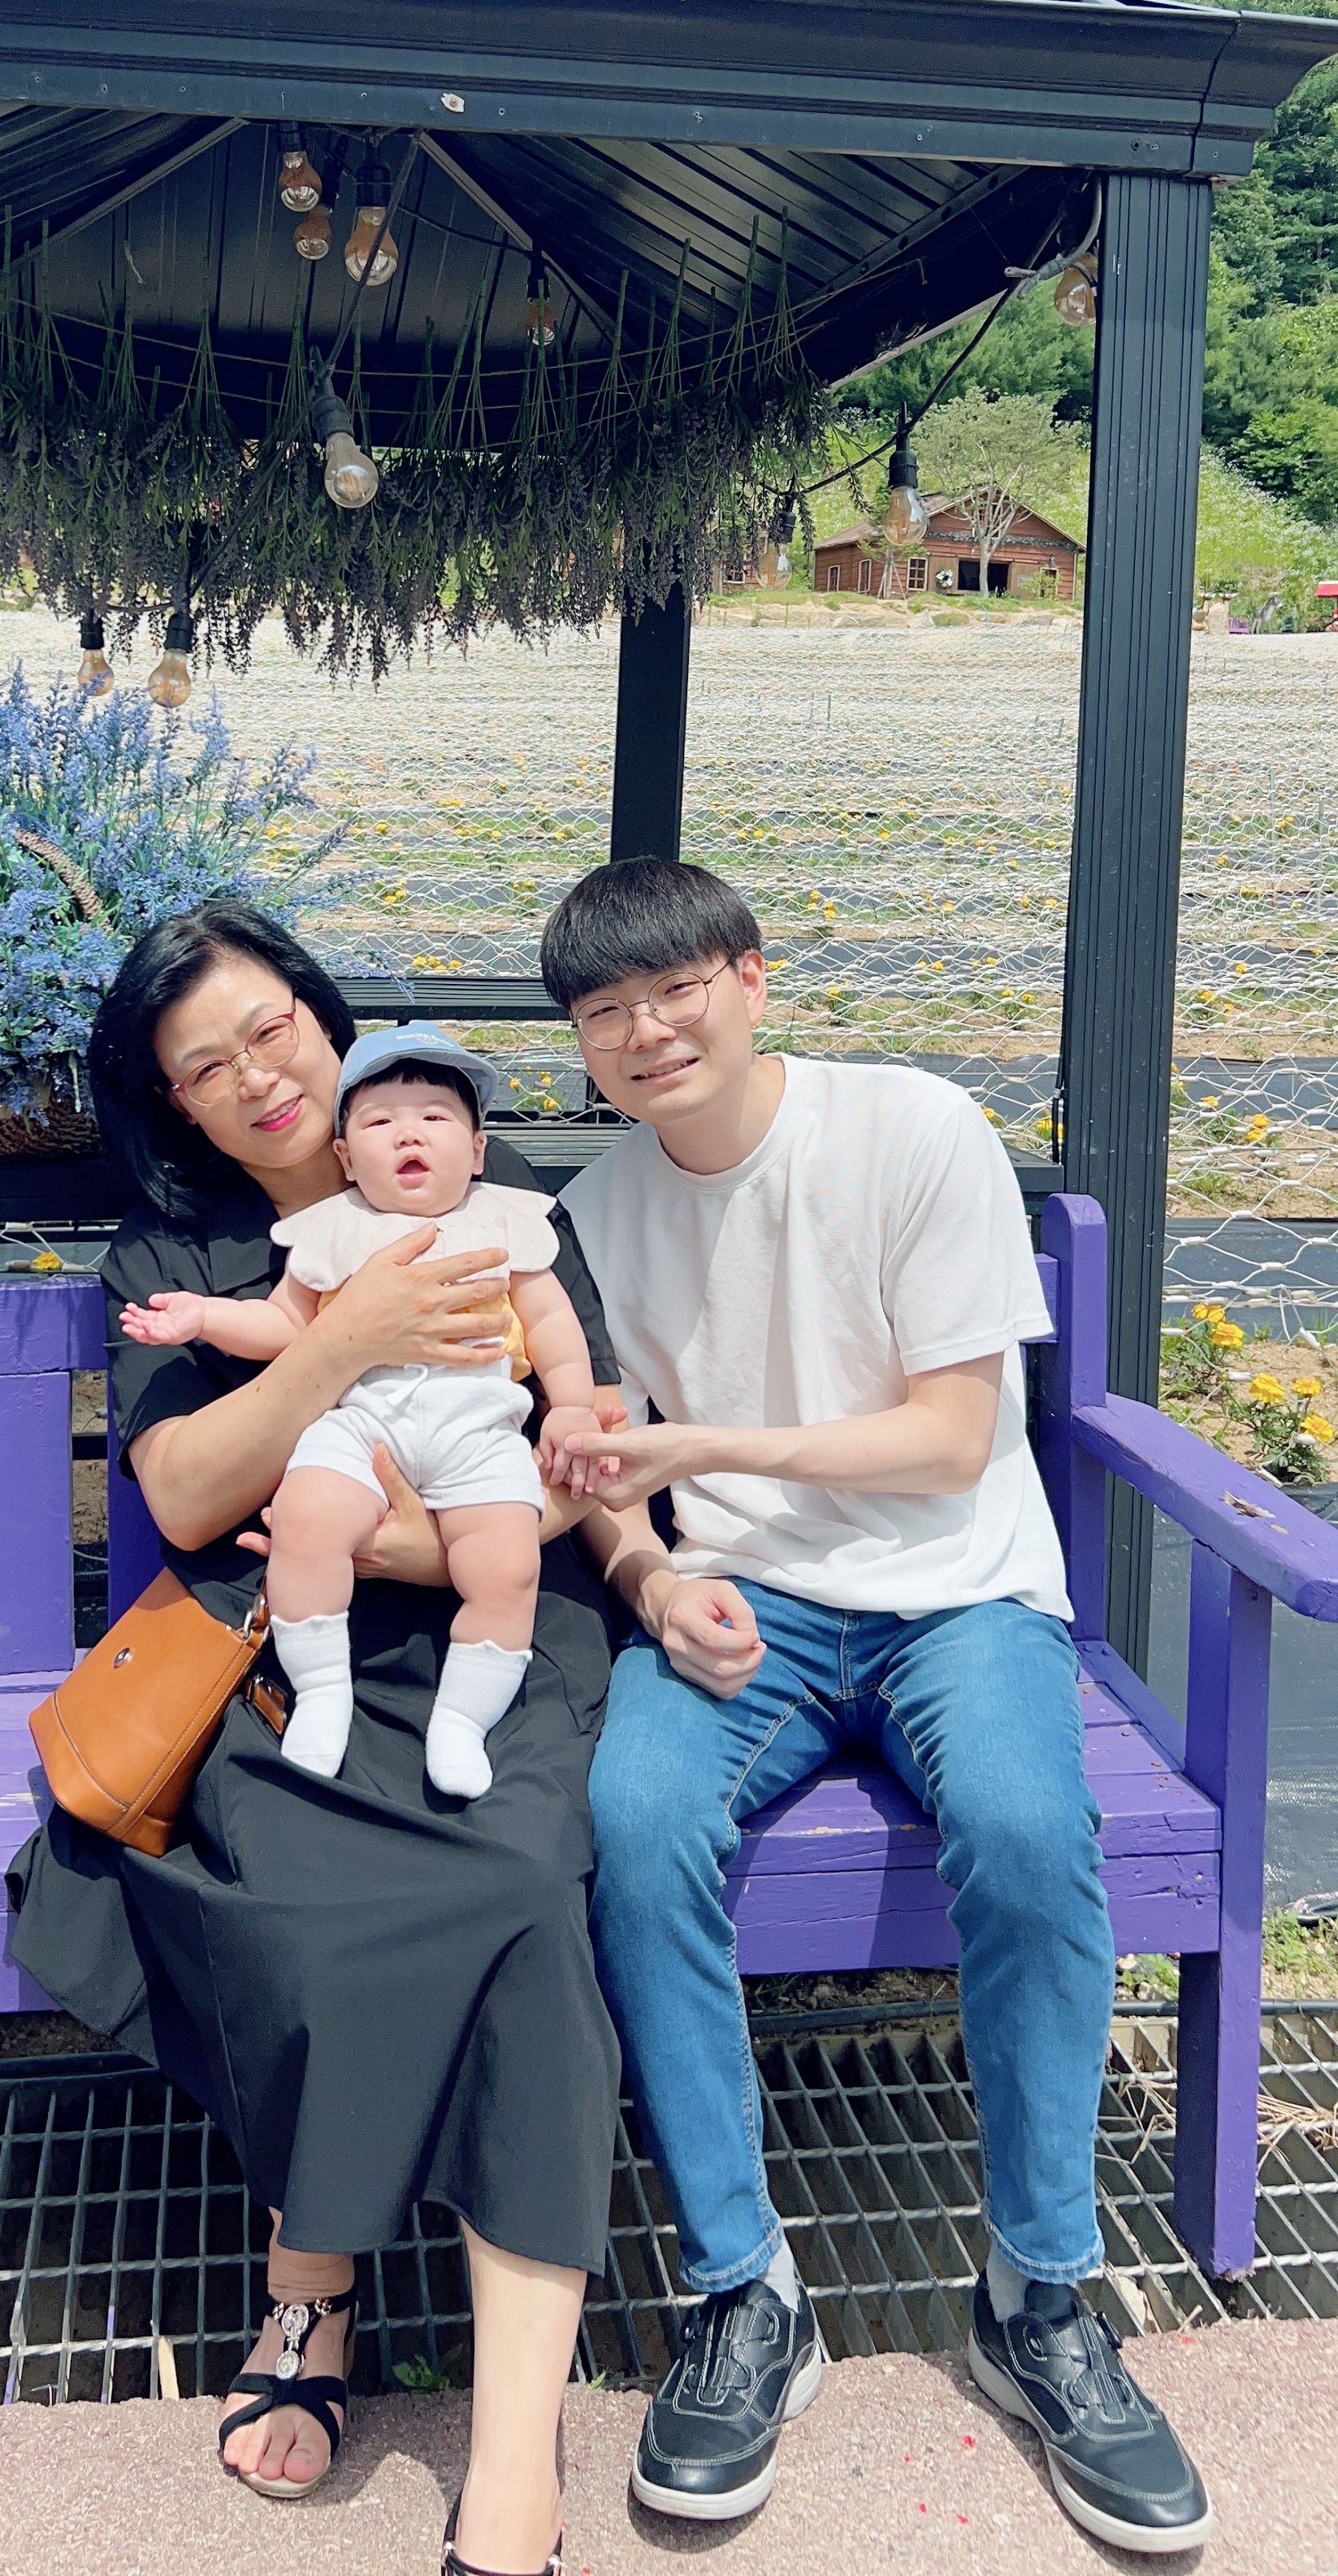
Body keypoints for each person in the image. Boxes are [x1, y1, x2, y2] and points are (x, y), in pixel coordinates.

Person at [537, 855, 1212, 2558]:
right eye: (605, 1012)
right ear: (582, 1046)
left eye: (674, 989)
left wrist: (704, 1448)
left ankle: (1042, 2293)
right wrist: (646, 1575)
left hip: (957, 1592)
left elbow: (951, 1438)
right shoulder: (592, 1215)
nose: (645, 1031)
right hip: (741, 1606)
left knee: (1028, 1831)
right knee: (633, 1823)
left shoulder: (914, 1131)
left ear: (752, 978)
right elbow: (597, 1471)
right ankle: (743, 2291)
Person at [6, 902, 636, 2576]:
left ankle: (516, 2454)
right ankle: (312, 2286)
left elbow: (573, 1455)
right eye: (205, 1067)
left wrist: (417, 1537)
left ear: (322, 1016)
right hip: (279, 1648)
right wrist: (341, 1344)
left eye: (269, 1027)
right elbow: (184, 1493)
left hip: (494, 1631)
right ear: (177, 1109)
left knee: (523, 1897)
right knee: (296, 1897)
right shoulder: (181, 1255)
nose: (257, 1076)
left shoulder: (492, 1199)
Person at [119, 1024, 599, 1795]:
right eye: (380, 1122)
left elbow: (552, 1329)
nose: (409, 1133)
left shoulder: (507, 1221)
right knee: (306, 1520)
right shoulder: (334, 1227)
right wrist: (203, 1317)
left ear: (478, 1150)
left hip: (479, 1428)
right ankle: (321, 1690)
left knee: (508, 1567)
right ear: (345, 1156)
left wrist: (571, 1407)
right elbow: (284, 1325)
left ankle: (464, 1719)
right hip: (362, 1422)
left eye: (435, 1117)